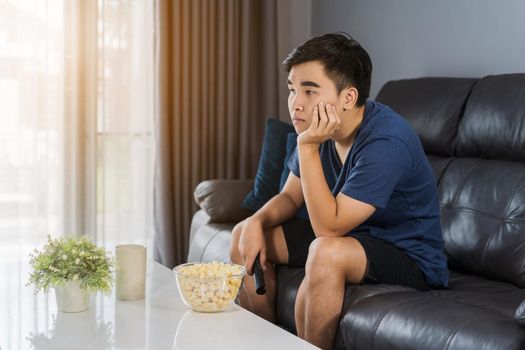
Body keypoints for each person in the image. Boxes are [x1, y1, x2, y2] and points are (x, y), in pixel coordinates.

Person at [229, 32, 448, 350]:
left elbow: (328, 229)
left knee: (326, 253)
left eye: (310, 90)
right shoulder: (318, 129)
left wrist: (307, 149)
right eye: (292, 89)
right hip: (351, 235)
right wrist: (256, 222)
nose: (296, 103)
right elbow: (291, 197)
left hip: (407, 255)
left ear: (348, 97)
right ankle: (263, 343)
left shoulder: (386, 141)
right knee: (242, 234)